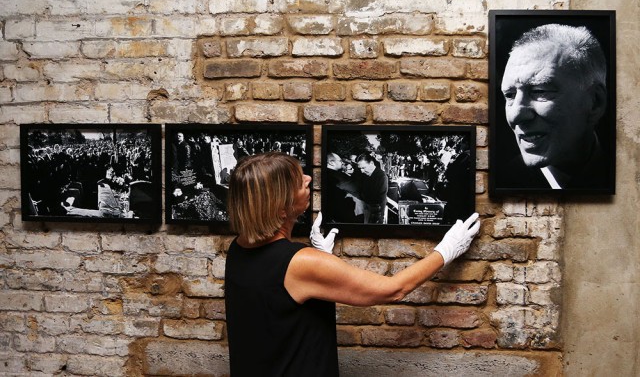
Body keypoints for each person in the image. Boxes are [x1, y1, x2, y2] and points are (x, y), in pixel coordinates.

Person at [224, 152, 480, 376]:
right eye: (298, 182)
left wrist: (321, 260)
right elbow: (393, 289)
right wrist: (446, 250)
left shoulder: (239, 246)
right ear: (282, 208)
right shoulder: (298, 262)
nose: (308, 180)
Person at [499, 23, 609, 189]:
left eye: (540, 91)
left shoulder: (630, 177)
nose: (515, 115)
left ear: (595, 102)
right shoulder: (504, 183)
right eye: (510, 95)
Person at [356, 153, 388, 223]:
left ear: (371, 163)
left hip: (376, 212)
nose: (362, 171)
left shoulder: (381, 176)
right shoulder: (364, 175)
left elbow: (380, 198)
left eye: (363, 168)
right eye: (360, 168)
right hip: (367, 209)